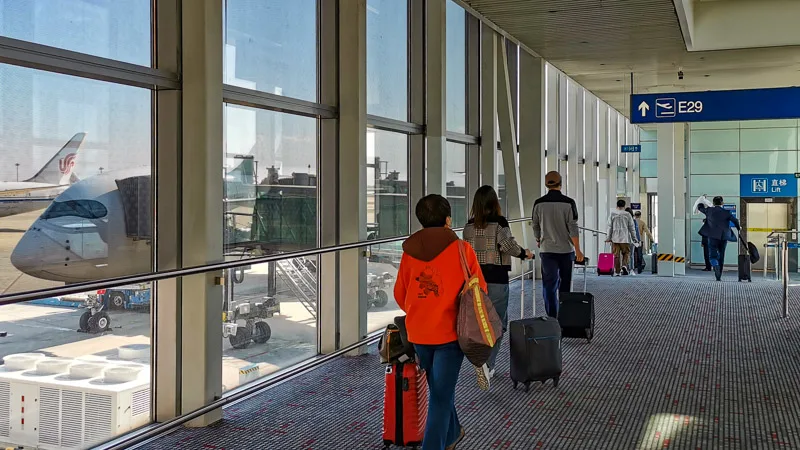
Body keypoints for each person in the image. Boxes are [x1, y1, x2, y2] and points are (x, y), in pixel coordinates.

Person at [394, 194, 485, 450]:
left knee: (439, 390)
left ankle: (454, 432)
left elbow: (400, 294)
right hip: (449, 335)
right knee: (441, 398)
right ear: (447, 220)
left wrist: (421, 311)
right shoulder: (461, 249)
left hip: (418, 334)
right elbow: (480, 289)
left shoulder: (408, 251)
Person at [463, 185, 532, 388]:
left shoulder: (468, 226)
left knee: (478, 322)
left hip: (474, 281)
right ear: (495, 203)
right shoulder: (499, 223)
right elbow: (507, 246)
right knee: (497, 323)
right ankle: (487, 363)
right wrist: (524, 253)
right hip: (495, 279)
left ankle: (480, 359)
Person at [532, 171, 585, 318]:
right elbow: (573, 228)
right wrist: (578, 250)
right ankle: (564, 315)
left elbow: (535, 225)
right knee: (565, 284)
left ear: (546, 184)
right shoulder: (569, 203)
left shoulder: (538, 203)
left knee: (549, 285)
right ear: (561, 183)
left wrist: (538, 239)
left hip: (547, 250)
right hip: (566, 250)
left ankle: (552, 316)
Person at [697, 195, 740, 281]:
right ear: (722, 203)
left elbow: (700, 207)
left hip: (712, 236)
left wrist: (702, 200)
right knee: (721, 254)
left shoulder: (709, 210)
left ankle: (715, 264)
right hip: (724, 236)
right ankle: (719, 274)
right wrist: (739, 228)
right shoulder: (726, 212)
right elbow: (735, 221)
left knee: (712, 255)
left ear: (713, 203)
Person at [606, 199, 638, 276]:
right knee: (626, 253)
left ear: (617, 206)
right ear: (624, 206)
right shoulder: (627, 215)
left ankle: (617, 272)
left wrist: (608, 237)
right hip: (625, 238)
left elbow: (609, 227)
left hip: (615, 238)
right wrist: (634, 238)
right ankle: (624, 265)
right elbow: (632, 228)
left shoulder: (612, 214)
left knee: (616, 255)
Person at [625, 208, 640, 276]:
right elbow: (636, 231)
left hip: (623, 240)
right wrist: (638, 240)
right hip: (631, 240)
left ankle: (625, 268)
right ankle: (631, 270)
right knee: (631, 255)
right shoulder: (633, 221)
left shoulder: (623, 221)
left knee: (624, 254)